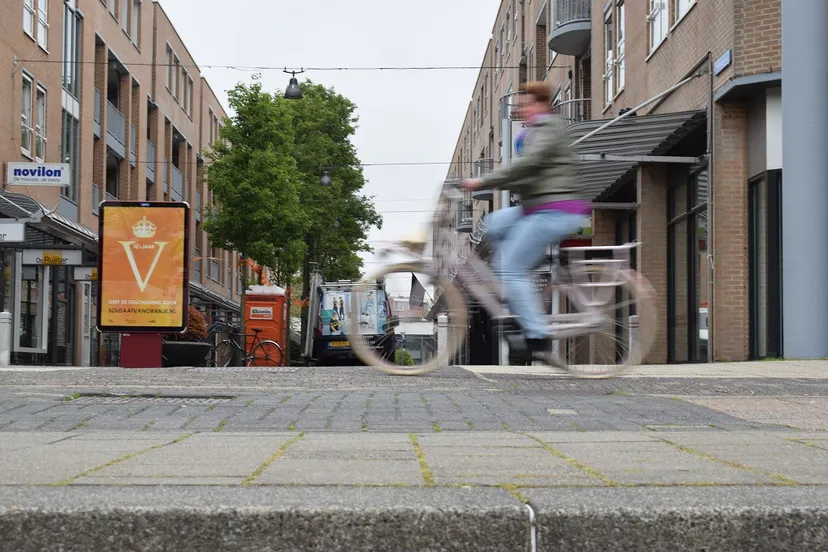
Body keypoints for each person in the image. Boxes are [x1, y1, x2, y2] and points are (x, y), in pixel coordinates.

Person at [461, 81, 589, 359]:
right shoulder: (538, 131)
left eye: (526, 104)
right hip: (537, 207)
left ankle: (536, 333)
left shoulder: (549, 128)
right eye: (520, 106)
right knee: (494, 223)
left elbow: (528, 165)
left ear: (541, 105)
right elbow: (532, 175)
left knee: (509, 265)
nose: (522, 110)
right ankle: (520, 282)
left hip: (557, 209)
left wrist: (484, 180)